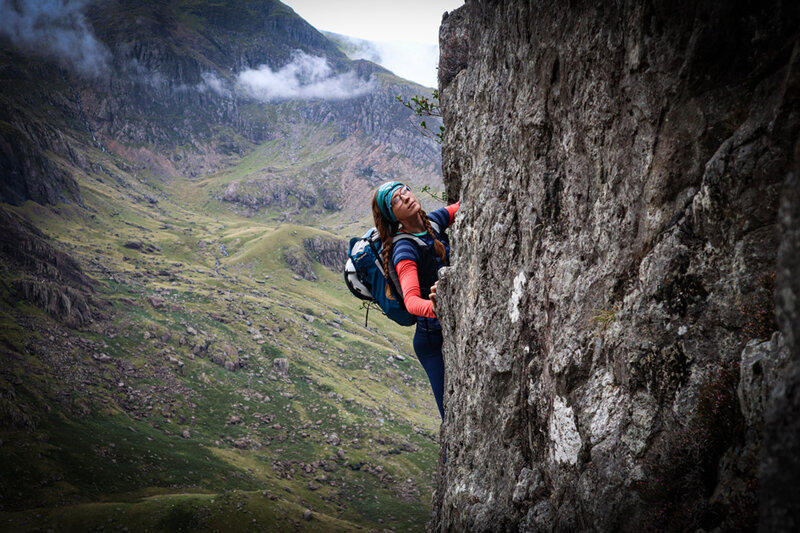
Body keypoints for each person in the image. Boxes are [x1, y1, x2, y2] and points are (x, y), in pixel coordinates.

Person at [372, 181, 459, 420]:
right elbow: (411, 301)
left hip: (450, 327)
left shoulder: (432, 223)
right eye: (396, 200)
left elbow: (465, 207)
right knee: (453, 416)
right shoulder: (404, 250)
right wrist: (441, 308)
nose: (406, 197)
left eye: (405, 190)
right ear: (392, 214)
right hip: (431, 342)